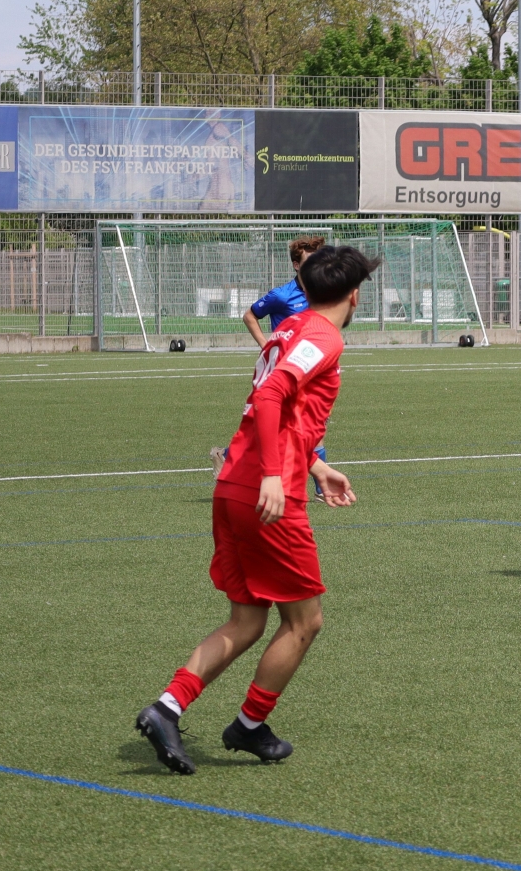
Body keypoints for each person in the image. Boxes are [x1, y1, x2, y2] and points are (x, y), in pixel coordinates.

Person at [134, 246, 370, 775]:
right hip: (266, 491)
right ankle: (249, 725)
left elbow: (282, 409)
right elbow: (270, 398)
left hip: (232, 485)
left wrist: (316, 466)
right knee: (305, 621)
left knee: (246, 620)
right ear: (355, 296)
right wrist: (274, 474)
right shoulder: (324, 337)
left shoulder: (290, 328)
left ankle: (166, 708)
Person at [216, 235, 330, 491]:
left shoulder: (324, 293)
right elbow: (250, 316)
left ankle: (228, 455)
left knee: (308, 428)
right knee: (290, 429)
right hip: (286, 372)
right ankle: (322, 488)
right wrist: (267, 347)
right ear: (296, 265)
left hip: (313, 370)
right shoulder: (281, 296)